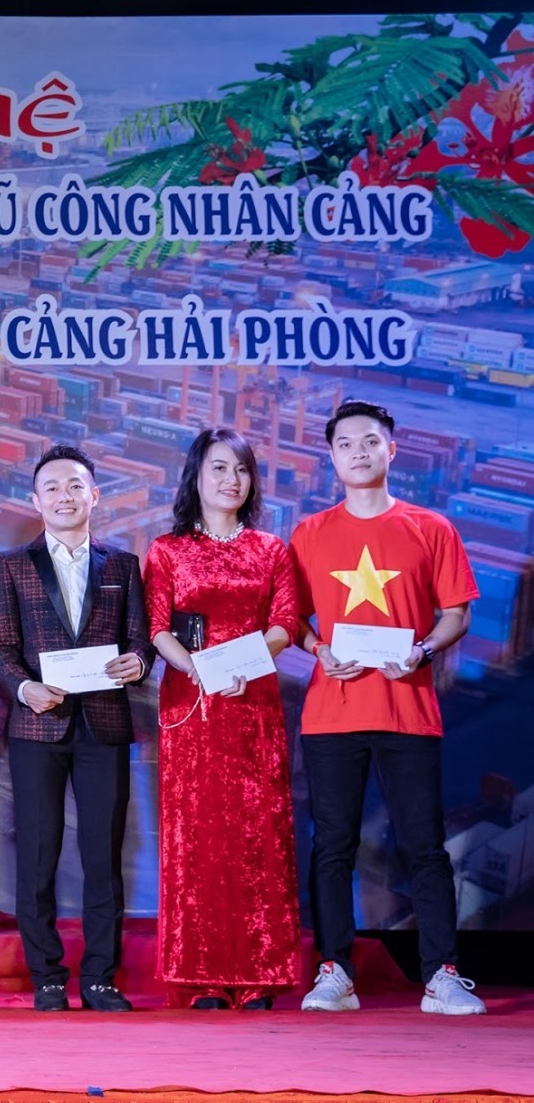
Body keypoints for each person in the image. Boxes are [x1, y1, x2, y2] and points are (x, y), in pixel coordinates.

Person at [291, 400, 485, 1016]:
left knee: (425, 846)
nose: (359, 452)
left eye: (370, 441)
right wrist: (318, 648)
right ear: (331, 456)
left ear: (391, 450)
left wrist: (422, 650)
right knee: (332, 847)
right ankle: (335, 972)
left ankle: (442, 975)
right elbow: (291, 619)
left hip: (408, 710)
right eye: (345, 444)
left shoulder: (431, 528)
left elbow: (456, 614)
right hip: (332, 713)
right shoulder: (309, 533)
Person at [0, 445, 151, 1014]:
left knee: (103, 856)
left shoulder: (122, 565)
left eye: (75, 486)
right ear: (36, 501)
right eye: (52, 488)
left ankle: (101, 977)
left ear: (94, 496)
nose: (64, 496)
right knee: (38, 854)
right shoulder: (11, 565)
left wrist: (138, 663)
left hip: (104, 725)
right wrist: (23, 688)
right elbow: (0, 647)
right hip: (38, 725)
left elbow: (139, 640)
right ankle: (48, 977)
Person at [144, 427, 300, 1011]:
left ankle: (260, 973)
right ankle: (201, 975)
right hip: (192, 705)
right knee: (198, 838)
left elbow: (285, 624)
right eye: (219, 467)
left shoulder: (272, 549)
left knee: (256, 836)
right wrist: (200, 669)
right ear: (196, 476)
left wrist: (242, 663)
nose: (231, 479)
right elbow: (157, 628)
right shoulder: (167, 550)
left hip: (253, 705)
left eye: (241, 469)